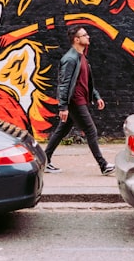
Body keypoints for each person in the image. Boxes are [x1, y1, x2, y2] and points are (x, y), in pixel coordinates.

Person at [44, 25, 115, 176]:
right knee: (91, 130)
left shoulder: (81, 57)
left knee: (61, 130)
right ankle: (103, 165)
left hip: (80, 99)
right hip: (75, 101)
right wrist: (63, 106)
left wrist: (96, 96)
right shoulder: (70, 59)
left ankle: (44, 160)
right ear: (76, 39)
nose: (88, 37)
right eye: (84, 35)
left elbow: (86, 82)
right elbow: (63, 84)